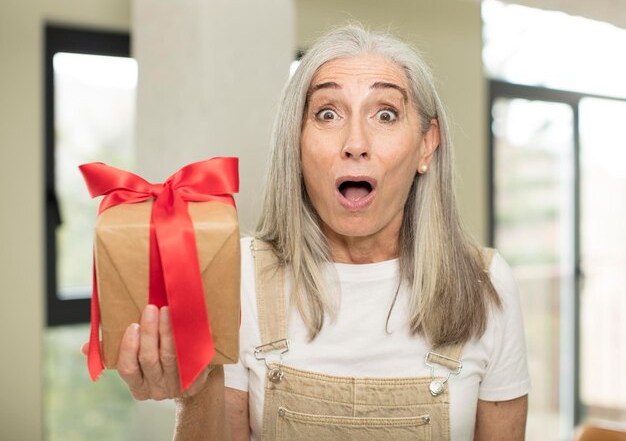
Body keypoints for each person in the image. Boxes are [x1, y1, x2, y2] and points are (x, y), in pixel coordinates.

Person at [100, 25, 530, 440]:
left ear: (426, 145)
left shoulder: (486, 285)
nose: (355, 141)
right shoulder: (241, 277)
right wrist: (194, 395)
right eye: (327, 113)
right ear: (297, 143)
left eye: (385, 114)